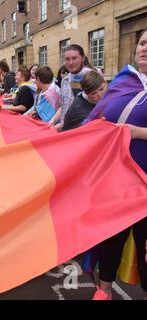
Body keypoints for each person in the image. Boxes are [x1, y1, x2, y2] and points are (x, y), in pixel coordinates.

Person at [86, 29, 147, 300]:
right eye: (143, 42)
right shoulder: (125, 81)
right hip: (116, 178)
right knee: (112, 236)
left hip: (145, 181)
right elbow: (97, 118)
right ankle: (105, 290)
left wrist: (138, 132)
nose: (145, 48)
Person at [57, 45, 93, 130]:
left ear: (83, 58)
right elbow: (63, 106)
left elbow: (100, 106)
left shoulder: (92, 77)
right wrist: (52, 121)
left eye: (74, 58)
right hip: (65, 128)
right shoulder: (65, 80)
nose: (71, 62)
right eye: (67, 59)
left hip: (84, 130)